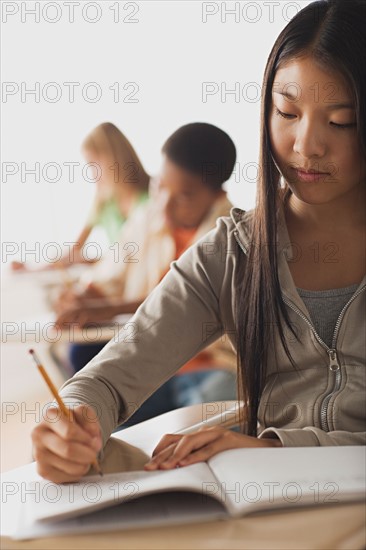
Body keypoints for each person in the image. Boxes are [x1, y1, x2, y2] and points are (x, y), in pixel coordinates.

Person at [31, 0, 365, 484]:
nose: (306, 144)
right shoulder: (231, 253)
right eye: (287, 112)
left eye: (341, 121)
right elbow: (111, 375)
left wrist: (274, 449)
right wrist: (73, 422)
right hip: (273, 518)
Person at [54, 122, 238, 422]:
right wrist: (84, 296)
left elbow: (185, 308)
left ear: (217, 195)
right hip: (147, 368)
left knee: (205, 423)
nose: (165, 205)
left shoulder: (233, 239)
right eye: (160, 186)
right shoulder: (148, 216)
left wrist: (109, 306)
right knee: (89, 421)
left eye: (184, 195)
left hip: (209, 367)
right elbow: (108, 277)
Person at [11, 122, 149, 270]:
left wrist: (89, 261)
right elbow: (73, 253)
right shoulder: (104, 203)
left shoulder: (151, 200)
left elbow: (141, 260)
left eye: (93, 164)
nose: (91, 174)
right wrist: (32, 268)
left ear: (113, 159)